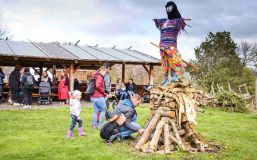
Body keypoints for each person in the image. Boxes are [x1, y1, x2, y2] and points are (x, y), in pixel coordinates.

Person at [153, 1, 187, 85]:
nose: (168, 9)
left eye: (170, 7)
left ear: (174, 8)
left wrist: (180, 20)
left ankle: (175, 76)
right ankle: (166, 77)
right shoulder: (163, 22)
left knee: (175, 59)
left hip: (171, 45)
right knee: (165, 62)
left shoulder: (177, 21)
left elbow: (182, 24)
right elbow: (157, 22)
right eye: (167, 7)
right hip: (162, 45)